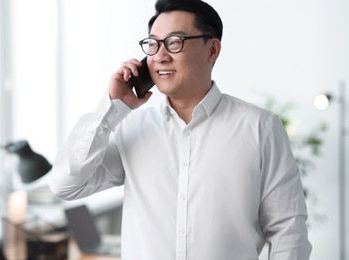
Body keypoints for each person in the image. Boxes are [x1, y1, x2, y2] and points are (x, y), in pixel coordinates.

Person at [49, 0, 312, 259]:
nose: (160, 56)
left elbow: (288, 231)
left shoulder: (259, 126)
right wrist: (111, 109)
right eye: (152, 44)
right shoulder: (131, 128)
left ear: (212, 50)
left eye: (175, 42)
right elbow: (66, 185)